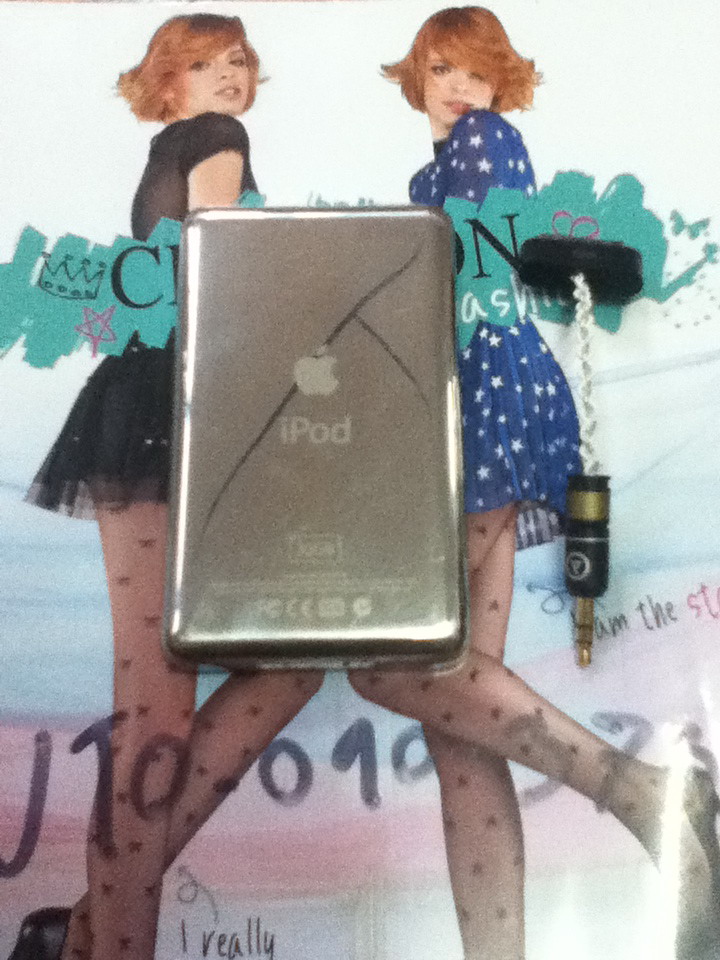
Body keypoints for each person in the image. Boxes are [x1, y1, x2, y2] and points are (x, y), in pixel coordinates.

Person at [350, 8, 720, 960]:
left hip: (485, 398)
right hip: (479, 396)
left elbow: (465, 293)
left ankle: (636, 790)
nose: (458, 88)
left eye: (477, 72)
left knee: (391, 660)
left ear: (500, 84)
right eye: (441, 69)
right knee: (461, 720)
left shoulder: (482, 143)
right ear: (416, 75)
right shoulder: (435, 171)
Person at [11, 15, 322, 960]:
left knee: (205, 689)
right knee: (166, 705)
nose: (228, 75)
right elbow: (219, 273)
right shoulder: (219, 138)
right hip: (179, 411)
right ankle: (102, 940)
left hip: (152, 408)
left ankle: (87, 930)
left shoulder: (172, 146)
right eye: (203, 62)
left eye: (238, 61)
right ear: (168, 81)